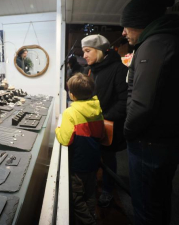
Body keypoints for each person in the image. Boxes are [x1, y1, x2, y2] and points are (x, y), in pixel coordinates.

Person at [121, 0, 179, 224]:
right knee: (159, 201)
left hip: (151, 141)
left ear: (140, 23)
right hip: (171, 136)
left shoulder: (154, 45)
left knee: (145, 207)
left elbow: (142, 103)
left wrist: (127, 132)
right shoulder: (177, 41)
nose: (123, 32)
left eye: (126, 26)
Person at [81, 34, 128, 207]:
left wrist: (103, 117)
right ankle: (92, 187)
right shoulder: (91, 70)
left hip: (109, 125)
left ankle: (108, 190)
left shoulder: (119, 70)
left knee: (108, 160)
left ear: (99, 51)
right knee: (93, 157)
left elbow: (124, 102)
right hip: (91, 125)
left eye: (87, 51)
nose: (84, 55)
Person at [56, 73, 105, 225]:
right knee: (90, 193)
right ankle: (92, 215)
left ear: (72, 94)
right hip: (93, 161)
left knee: (76, 197)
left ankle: (89, 222)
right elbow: (101, 133)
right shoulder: (97, 110)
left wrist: (58, 129)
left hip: (78, 164)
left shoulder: (71, 112)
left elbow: (65, 139)